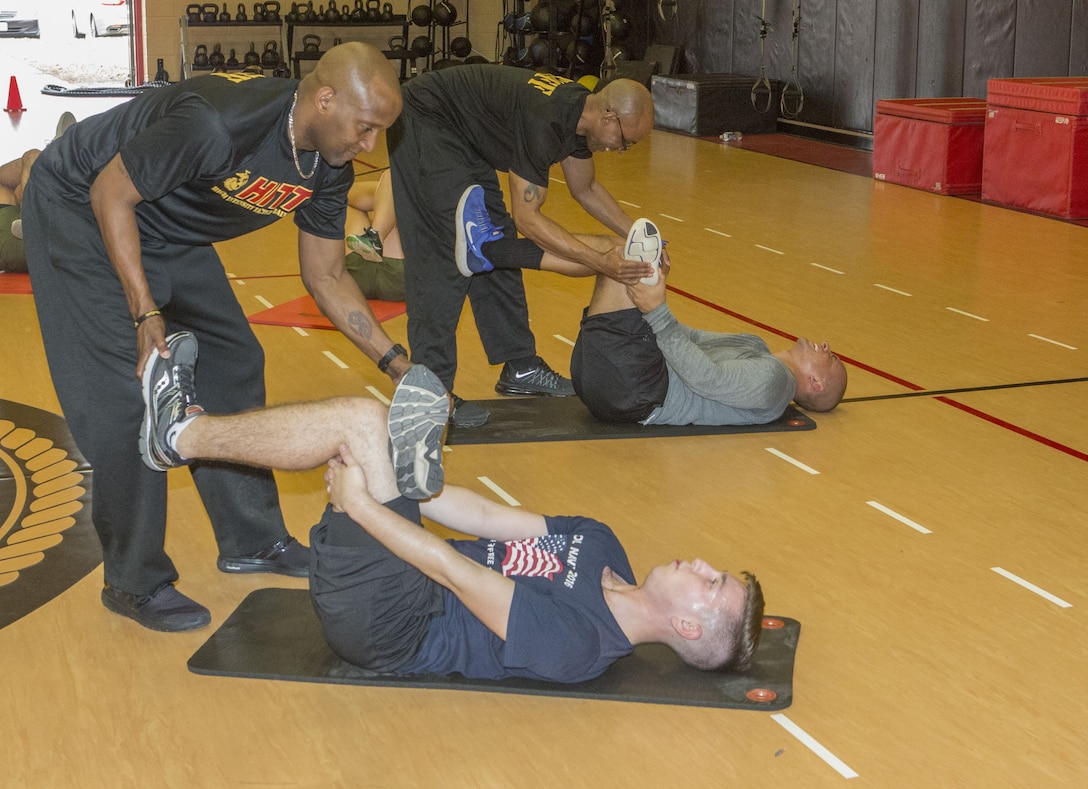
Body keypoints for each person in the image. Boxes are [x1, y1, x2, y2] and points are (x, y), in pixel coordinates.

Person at [22, 43, 408, 633]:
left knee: (234, 355)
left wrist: (396, 364)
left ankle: (252, 539)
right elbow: (110, 194)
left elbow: (327, 276)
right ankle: (133, 580)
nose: (370, 144)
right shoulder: (220, 122)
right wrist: (145, 312)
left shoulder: (328, 169)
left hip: (163, 220)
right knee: (130, 394)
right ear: (325, 99)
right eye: (366, 127)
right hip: (82, 205)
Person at [140, 333, 766, 682]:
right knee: (375, 432)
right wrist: (421, 493)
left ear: (687, 628)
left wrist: (364, 507)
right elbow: (488, 520)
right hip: (406, 566)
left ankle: (176, 435)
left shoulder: (581, 645)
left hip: (393, 627)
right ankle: (407, 466)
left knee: (360, 422)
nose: (703, 564)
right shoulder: (600, 544)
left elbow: (453, 572)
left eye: (712, 585)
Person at [387, 67, 661, 428]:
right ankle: (433, 394)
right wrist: (600, 261)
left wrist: (642, 235)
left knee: (491, 243)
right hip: (425, 119)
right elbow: (528, 220)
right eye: (626, 141)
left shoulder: (580, 118)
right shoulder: (545, 120)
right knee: (446, 254)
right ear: (609, 116)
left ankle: (519, 365)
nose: (621, 150)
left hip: (464, 138)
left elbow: (586, 189)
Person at [457, 200, 848, 424]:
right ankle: (490, 250)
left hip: (634, 390)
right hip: (622, 376)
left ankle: (489, 250)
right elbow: (688, 338)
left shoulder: (775, 385)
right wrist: (652, 302)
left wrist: (656, 309)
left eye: (829, 359)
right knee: (620, 255)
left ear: (814, 384)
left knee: (622, 256)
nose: (826, 346)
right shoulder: (756, 347)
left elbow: (706, 378)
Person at [0, 113, 76, 273]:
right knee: (32, 157)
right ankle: (59, 158)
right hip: (42, 240)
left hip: (23, 235)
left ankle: (57, 158)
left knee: (29, 164)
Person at [342, 169, 405, 302]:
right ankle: (375, 237)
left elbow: (344, 194)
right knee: (394, 187)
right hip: (400, 277)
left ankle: (375, 237)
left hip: (356, 277)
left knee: (392, 179)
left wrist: (382, 194)